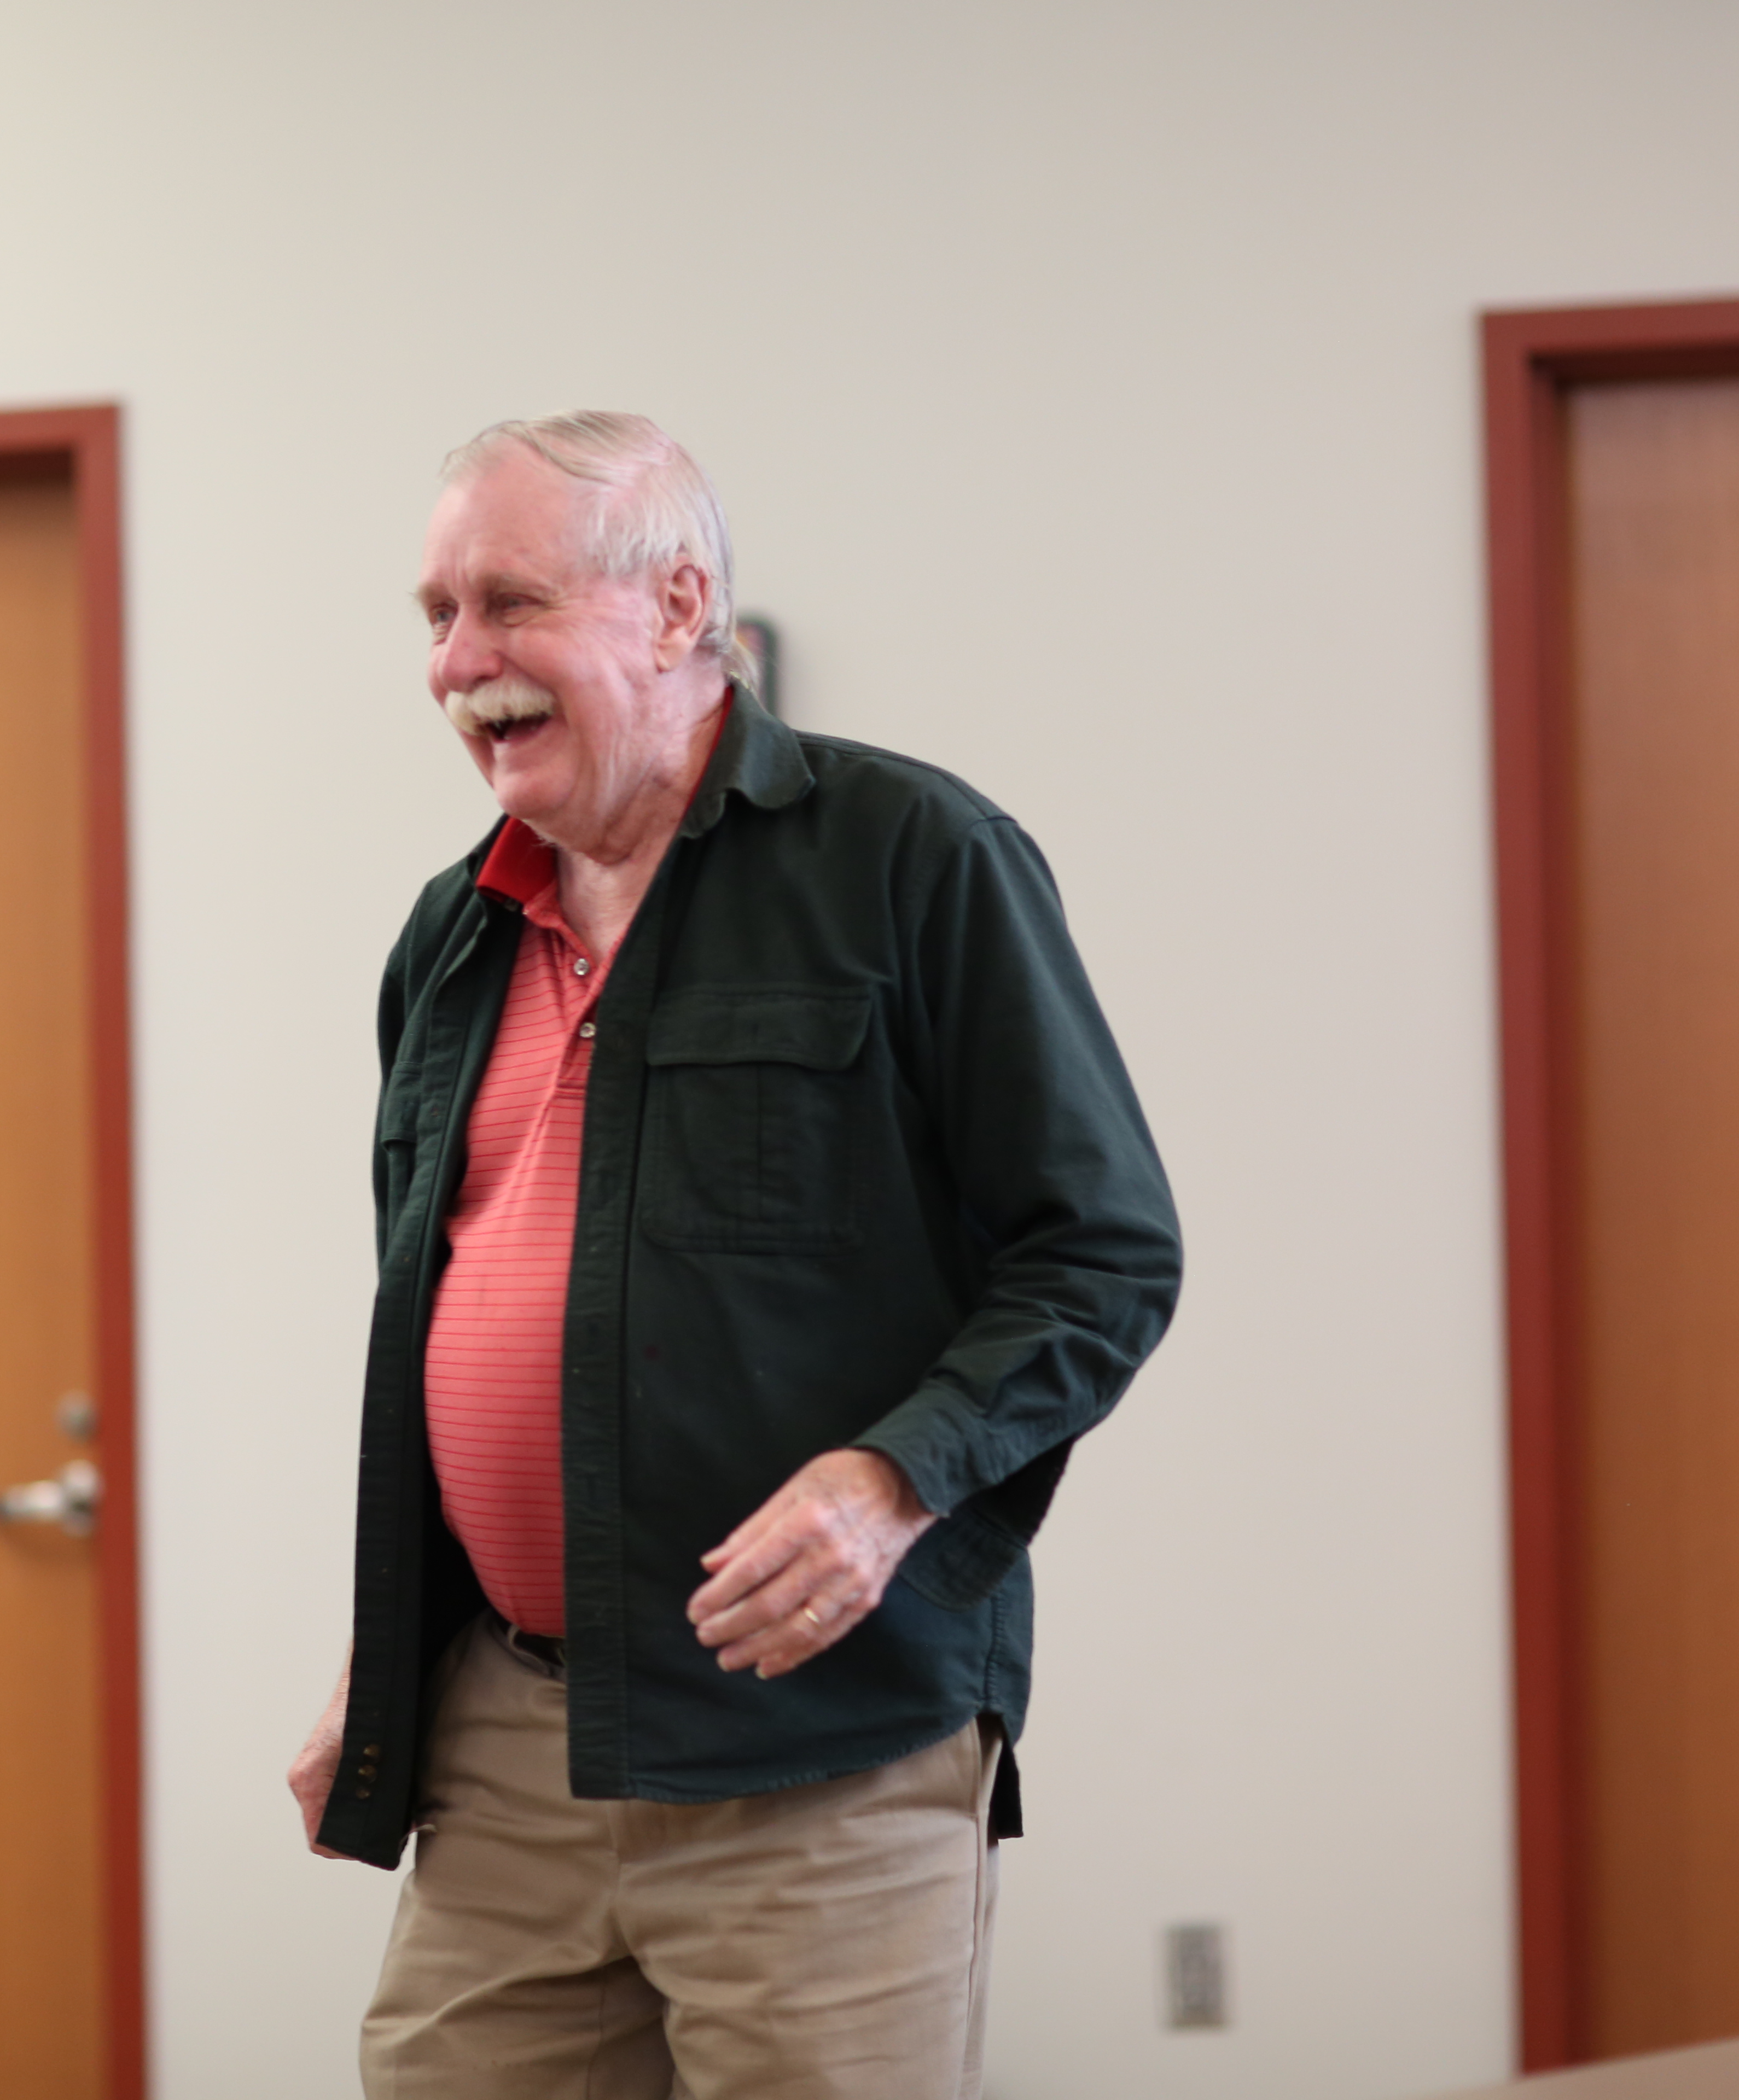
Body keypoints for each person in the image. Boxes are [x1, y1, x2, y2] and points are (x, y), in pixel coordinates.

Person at [288, 412, 1184, 2099]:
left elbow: (1103, 1254)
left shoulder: (913, 863)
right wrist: (390, 1641)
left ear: (680, 601)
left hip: (816, 1751)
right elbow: (442, 1317)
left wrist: (891, 1481)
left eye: (507, 604)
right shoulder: (452, 933)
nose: (458, 665)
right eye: (433, 617)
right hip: (506, 1744)